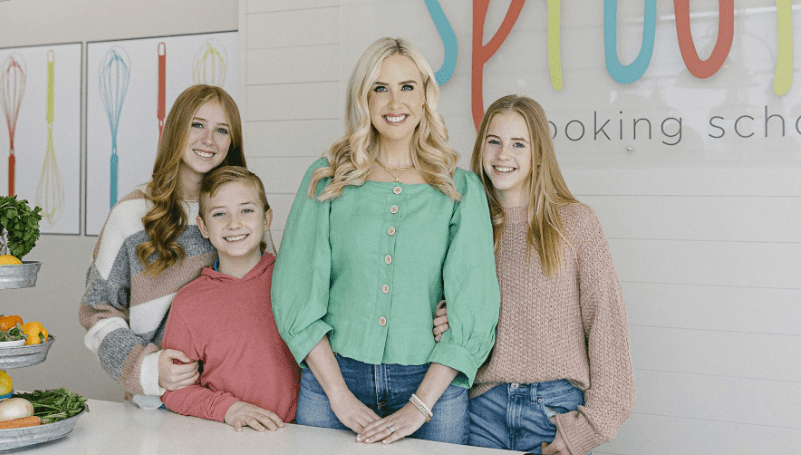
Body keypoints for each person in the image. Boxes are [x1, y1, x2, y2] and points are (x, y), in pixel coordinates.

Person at [271, 37, 500, 446]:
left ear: (426, 96)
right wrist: (338, 396)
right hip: (332, 378)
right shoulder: (327, 180)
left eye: (407, 87)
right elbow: (296, 295)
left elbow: (474, 305)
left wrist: (420, 405)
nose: (395, 102)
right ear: (364, 99)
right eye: (380, 88)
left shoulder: (459, 190)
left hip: (431, 385)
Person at [436, 95, 635, 454]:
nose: (502, 155)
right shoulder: (467, 224)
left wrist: (590, 428)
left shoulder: (575, 222)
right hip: (483, 407)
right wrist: (448, 318)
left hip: (554, 410)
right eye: (493, 141)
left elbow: (606, 324)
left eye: (518, 144)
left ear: (538, 152)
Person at [80, 84, 245, 407]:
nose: (208, 140)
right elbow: (96, 312)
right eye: (197, 124)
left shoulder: (242, 214)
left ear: (232, 143)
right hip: (160, 405)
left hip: (238, 400)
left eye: (222, 130)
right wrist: (147, 368)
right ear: (175, 130)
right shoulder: (131, 215)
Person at [160, 166, 300, 431]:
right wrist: (229, 409)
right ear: (203, 226)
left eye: (246, 210)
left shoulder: (294, 281)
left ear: (267, 219)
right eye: (220, 214)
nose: (234, 224)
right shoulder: (189, 302)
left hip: (294, 435)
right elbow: (174, 391)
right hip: (224, 435)